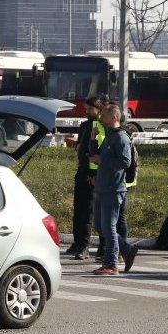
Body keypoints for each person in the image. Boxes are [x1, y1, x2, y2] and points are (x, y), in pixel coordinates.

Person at [90, 104, 137, 275]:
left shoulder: (121, 137)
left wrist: (103, 161)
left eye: (104, 115)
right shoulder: (109, 136)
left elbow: (125, 162)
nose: (101, 118)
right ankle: (127, 249)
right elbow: (95, 158)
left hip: (114, 188)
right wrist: (93, 139)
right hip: (102, 187)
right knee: (101, 227)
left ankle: (111, 264)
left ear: (114, 118)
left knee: (109, 227)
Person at [66, 93, 107, 258]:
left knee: (89, 212)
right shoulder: (85, 126)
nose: (87, 111)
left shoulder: (100, 126)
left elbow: (98, 150)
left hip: (92, 174)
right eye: (86, 108)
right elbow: (85, 146)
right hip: (81, 171)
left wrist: (93, 173)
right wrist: (76, 144)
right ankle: (77, 242)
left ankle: (85, 246)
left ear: (99, 109)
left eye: (91, 109)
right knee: (79, 209)